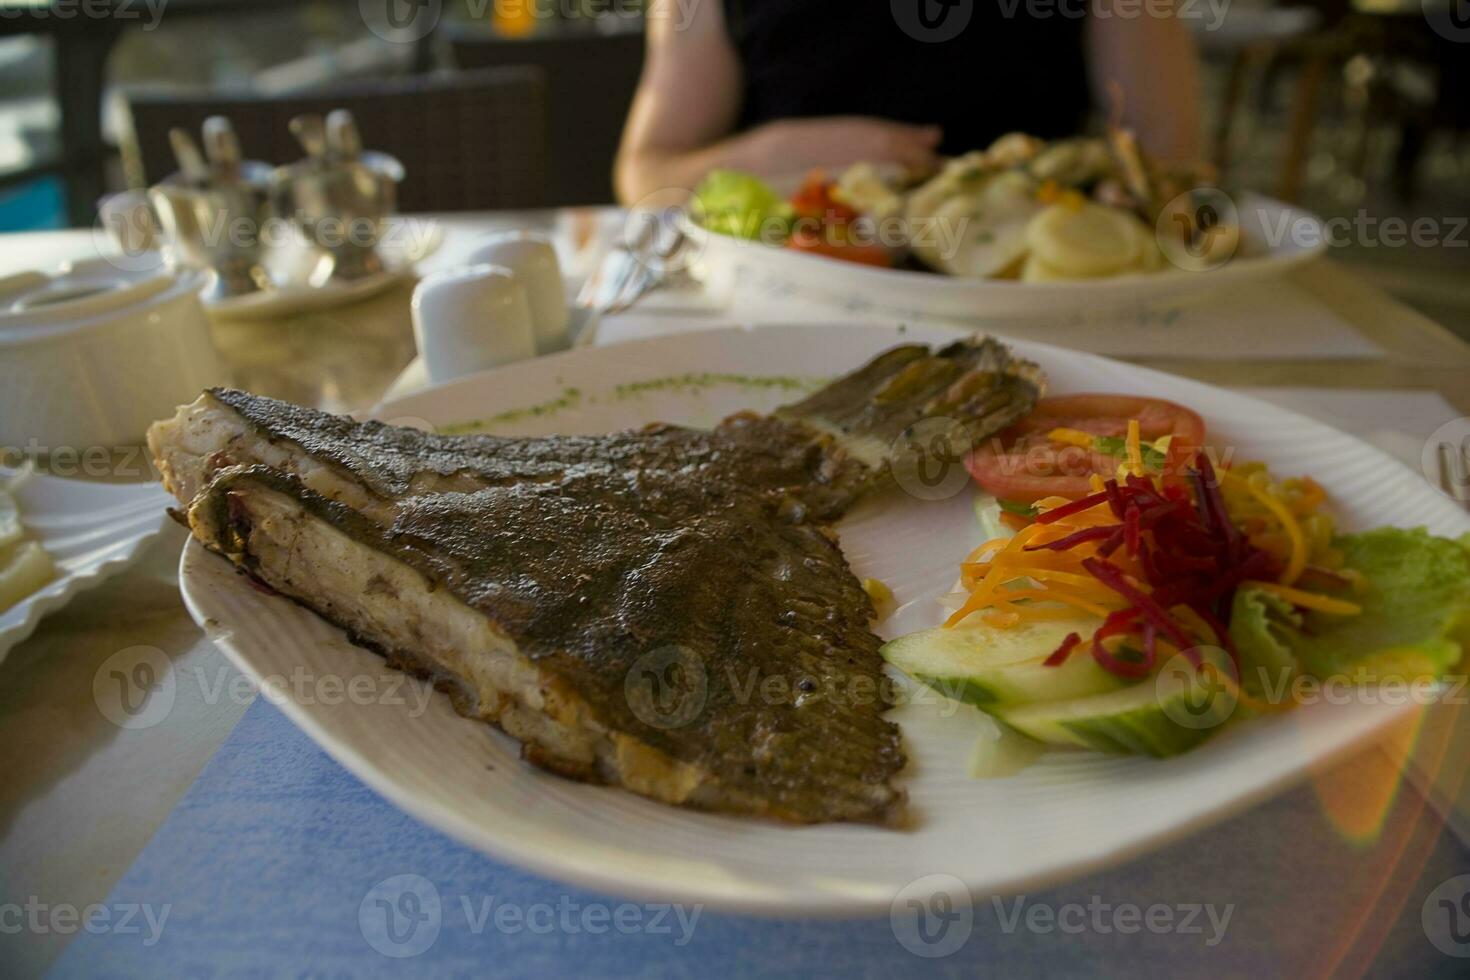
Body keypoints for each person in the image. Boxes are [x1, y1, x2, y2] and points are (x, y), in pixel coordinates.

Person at [615, 0, 1202, 204]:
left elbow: (1175, 163)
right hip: (790, 299)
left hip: (1042, 316)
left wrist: (1128, 197)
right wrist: (776, 154)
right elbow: (645, 177)